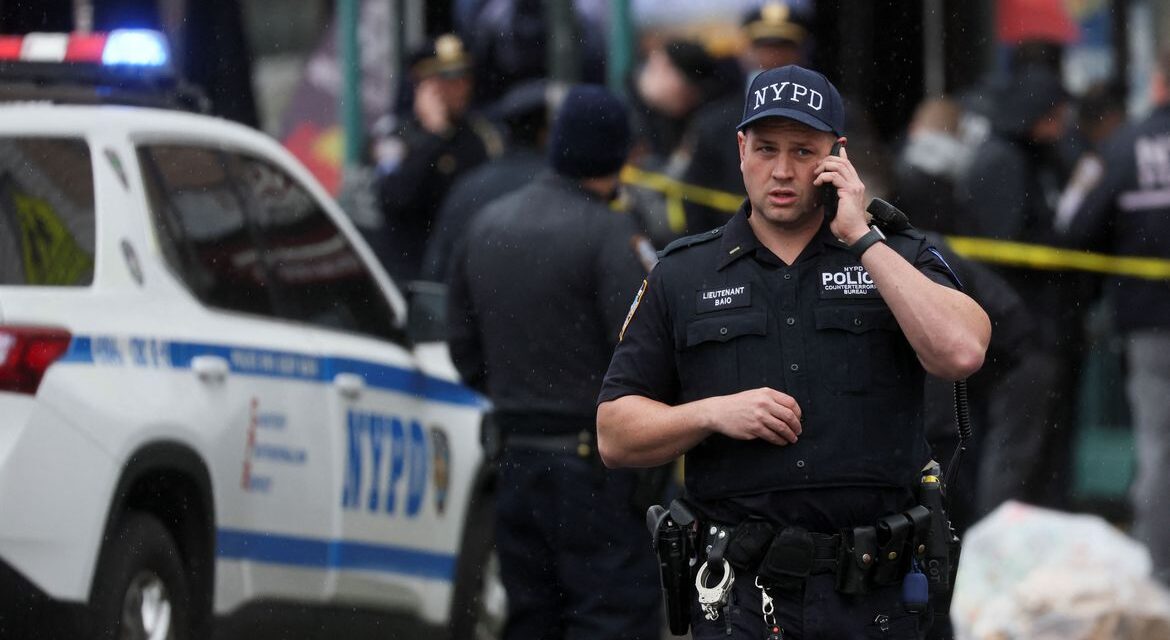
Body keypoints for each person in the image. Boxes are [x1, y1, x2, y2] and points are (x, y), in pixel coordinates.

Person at [597, 65, 990, 639]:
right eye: (766, 149)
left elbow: (960, 352)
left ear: (838, 157)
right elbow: (613, 433)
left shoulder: (894, 252)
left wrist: (862, 240)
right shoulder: (684, 273)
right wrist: (711, 413)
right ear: (740, 149)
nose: (782, 171)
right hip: (742, 600)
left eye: (804, 151)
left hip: (875, 597)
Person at [446, 84, 661, 639]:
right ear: (618, 153)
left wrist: (519, 399)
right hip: (595, 468)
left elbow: (462, 347)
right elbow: (643, 350)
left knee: (531, 615)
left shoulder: (487, 223)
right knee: (610, 615)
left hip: (515, 460)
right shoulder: (612, 232)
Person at [1062, 51, 1170, 583]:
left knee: (1158, 444)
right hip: (1148, 320)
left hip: (1149, 321)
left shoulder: (1125, 147)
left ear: (1158, 82)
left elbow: (1078, 229)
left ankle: (1158, 571)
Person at [372, 33, 502, 283]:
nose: (461, 87)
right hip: (414, 272)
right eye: (448, 79)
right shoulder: (396, 136)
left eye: (464, 77)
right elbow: (394, 196)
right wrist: (434, 136)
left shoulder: (481, 135)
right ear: (423, 85)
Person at [421, 78, 558, 282]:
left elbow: (436, 275)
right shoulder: (565, 187)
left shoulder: (468, 187)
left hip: (478, 308)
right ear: (546, 133)